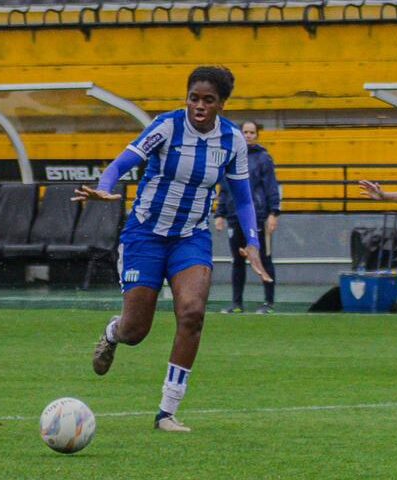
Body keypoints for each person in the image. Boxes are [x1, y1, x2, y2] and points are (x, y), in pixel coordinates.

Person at [74, 66, 272, 433]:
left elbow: (243, 199)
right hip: (145, 235)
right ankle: (113, 332)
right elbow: (121, 163)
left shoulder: (232, 140)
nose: (199, 106)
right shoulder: (167, 126)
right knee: (136, 330)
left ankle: (167, 412)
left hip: (191, 238)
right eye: (193, 98)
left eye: (208, 100)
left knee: (193, 313)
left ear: (222, 104)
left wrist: (253, 243)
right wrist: (104, 186)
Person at [214, 121, 281, 314]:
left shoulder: (263, 158)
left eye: (252, 132)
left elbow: (271, 186)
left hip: (258, 215)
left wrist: (273, 212)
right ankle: (237, 303)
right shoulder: (231, 157)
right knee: (237, 260)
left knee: (264, 258)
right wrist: (220, 213)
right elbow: (225, 187)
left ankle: (269, 302)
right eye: (245, 132)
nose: (248, 135)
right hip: (234, 216)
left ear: (257, 135)